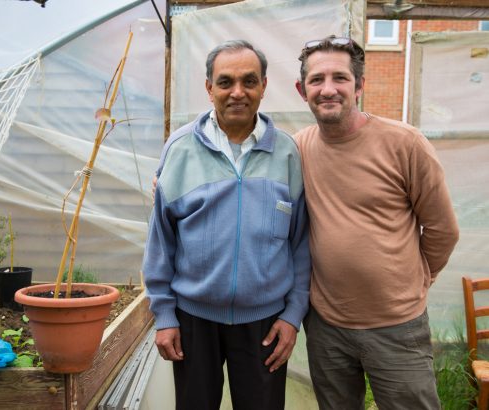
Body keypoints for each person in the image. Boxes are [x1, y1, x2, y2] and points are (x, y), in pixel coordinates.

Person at [293, 35, 460, 409]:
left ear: (360, 86)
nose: (328, 89)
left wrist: (414, 281)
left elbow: (442, 229)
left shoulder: (405, 144)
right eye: (317, 80)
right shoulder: (299, 148)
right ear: (302, 89)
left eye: (340, 78)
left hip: (397, 325)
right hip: (326, 325)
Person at [142, 40, 310, 410]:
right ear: (209, 88)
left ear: (264, 86)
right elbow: (161, 240)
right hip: (193, 320)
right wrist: (165, 314)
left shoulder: (285, 152)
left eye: (249, 81)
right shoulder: (181, 148)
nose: (238, 92)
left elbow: (300, 244)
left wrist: (293, 315)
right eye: (225, 82)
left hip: (265, 321)